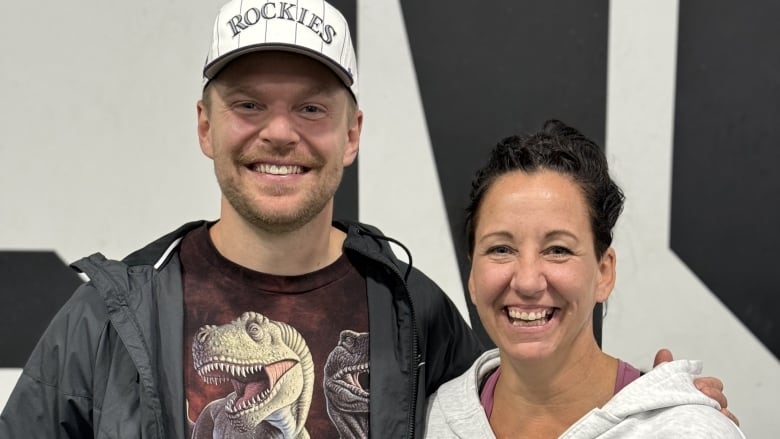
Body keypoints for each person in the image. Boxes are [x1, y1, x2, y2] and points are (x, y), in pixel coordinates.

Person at [0, 0, 732, 437]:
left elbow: (516, 409)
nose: (279, 133)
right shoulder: (107, 318)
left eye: (312, 107)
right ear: (204, 125)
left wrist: (658, 411)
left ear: (352, 133)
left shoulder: (417, 314)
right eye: (249, 104)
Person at [423, 120, 745, 438]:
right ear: (473, 277)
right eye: (501, 249)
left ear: (604, 272)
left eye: (558, 249)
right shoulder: (427, 420)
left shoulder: (683, 432)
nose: (527, 281)